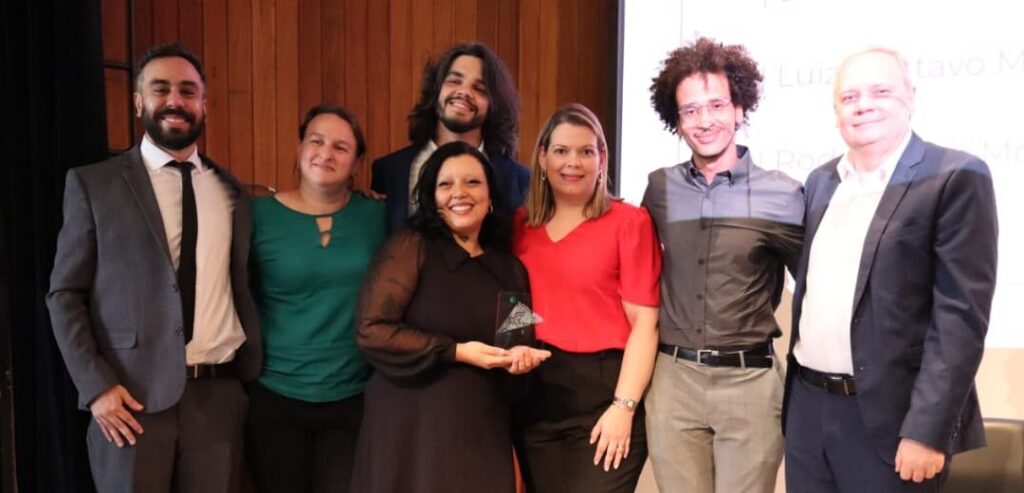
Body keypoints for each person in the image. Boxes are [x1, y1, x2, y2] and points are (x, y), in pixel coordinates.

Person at [46, 42, 261, 493]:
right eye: (160, 89)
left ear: (204, 104)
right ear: (139, 101)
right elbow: (65, 294)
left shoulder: (235, 193)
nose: (175, 101)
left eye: (188, 91)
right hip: (130, 399)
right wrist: (96, 386)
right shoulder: (94, 184)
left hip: (218, 398)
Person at [783, 47, 998, 492]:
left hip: (892, 422)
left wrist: (927, 430)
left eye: (880, 91)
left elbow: (959, 319)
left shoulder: (955, 175)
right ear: (836, 111)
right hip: (808, 412)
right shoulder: (821, 181)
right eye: (850, 97)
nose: (864, 106)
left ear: (910, 97)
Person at [641, 37, 804, 493]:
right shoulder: (660, 189)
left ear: (739, 108)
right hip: (673, 381)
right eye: (690, 110)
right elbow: (634, 273)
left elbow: (816, 288)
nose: (705, 120)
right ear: (676, 121)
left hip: (749, 383)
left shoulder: (782, 194)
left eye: (716, 105)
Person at [351, 141, 550, 492]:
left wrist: (520, 363)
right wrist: (456, 351)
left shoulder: (511, 270)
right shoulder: (410, 246)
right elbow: (372, 330)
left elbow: (514, 356)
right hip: (407, 429)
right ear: (431, 196)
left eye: (472, 182)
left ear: (491, 196)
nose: (459, 193)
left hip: (480, 429)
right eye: (446, 184)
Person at [512, 103, 661, 493]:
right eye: (560, 150)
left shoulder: (630, 222)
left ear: (602, 159)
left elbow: (645, 324)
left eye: (585, 151)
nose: (572, 162)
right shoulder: (521, 225)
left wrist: (624, 406)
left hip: (606, 393)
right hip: (537, 393)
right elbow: (516, 307)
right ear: (542, 157)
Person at [245, 104, 386, 492]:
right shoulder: (256, 215)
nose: (326, 153)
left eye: (341, 147)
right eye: (317, 141)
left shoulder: (379, 215)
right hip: (274, 397)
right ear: (299, 147)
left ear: (357, 162)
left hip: (353, 399)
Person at [371, 42, 530, 232]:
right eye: (454, 81)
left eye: (479, 88)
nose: (464, 92)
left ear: (493, 105)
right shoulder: (388, 171)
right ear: (436, 90)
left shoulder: (520, 181)